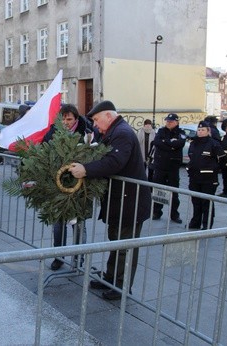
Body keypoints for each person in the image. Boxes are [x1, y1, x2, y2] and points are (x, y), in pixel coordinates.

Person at [68, 100, 151, 300]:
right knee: (115, 242)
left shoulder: (122, 133)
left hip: (130, 201)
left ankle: (121, 287)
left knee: (124, 246)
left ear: (108, 116)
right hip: (120, 199)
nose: (95, 124)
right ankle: (110, 278)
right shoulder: (114, 131)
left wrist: (86, 170)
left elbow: (114, 162)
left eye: (97, 119)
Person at [43, 104, 95, 271]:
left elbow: (95, 155)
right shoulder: (53, 131)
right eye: (63, 118)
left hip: (80, 188)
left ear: (76, 118)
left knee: (78, 224)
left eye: (69, 118)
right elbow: (44, 151)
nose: (65, 122)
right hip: (58, 186)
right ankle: (58, 257)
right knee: (58, 224)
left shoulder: (87, 132)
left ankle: (79, 259)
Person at [186, 121, 226, 230]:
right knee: (196, 201)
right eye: (199, 130)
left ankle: (207, 225)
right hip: (194, 177)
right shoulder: (194, 143)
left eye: (203, 130)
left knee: (206, 203)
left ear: (208, 131)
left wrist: (214, 169)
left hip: (208, 179)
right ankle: (196, 222)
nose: (200, 132)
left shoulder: (214, 143)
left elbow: (222, 159)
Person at [151, 113, 187, 224]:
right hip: (160, 166)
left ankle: (174, 214)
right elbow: (156, 142)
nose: (168, 123)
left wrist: (165, 142)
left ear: (176, 122)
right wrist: (170, 144)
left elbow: (179, 144)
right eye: (167, 121)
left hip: (173, 167)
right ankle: (157, 212)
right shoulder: (161, 131)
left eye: (171, 121)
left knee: (174, 192)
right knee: (158, 191)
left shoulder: (181, 132)